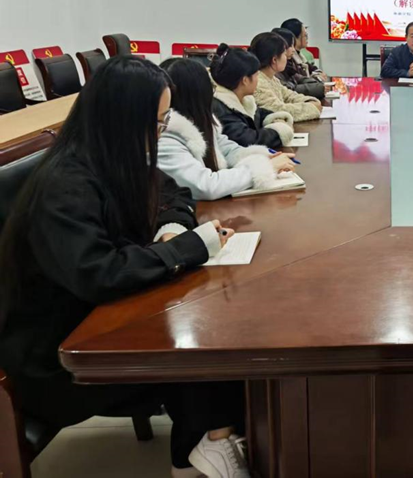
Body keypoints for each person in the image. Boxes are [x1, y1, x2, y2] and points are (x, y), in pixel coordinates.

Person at [0, 56, 251, 478]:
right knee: (205, 352)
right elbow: (101, 274)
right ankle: (203, 450)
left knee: (216, 331)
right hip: (56, 358)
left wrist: (172, 228)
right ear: (122, 118)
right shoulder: (65, 185)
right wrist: (188, 247)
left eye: (165, 119)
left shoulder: (116, 155)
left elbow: (174, 194)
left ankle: (209, 443)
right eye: (157, 122)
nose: (162, 131)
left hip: (99, 319)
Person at [158, 58, 294, 200]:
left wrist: (263, 156)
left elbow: (227, 149)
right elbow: (205, 186)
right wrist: (265, 168)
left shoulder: (200, 120)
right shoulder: (164, 136)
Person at [210, 44, 295, 148]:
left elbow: (260, 114)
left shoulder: (244, 99)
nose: (258, 80)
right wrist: (281, 131)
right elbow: (250, 140)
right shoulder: (220, 109)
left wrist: (277, 119)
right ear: (245, 80)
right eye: (256, 75)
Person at [249, 32, 322, 122]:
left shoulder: (271, 78)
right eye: (284, 53)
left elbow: (288, 96)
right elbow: (277, 110)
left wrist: (310, 101)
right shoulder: (257, 82)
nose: (286, 57)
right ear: (274, 60)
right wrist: (311, 108)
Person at [273, 27, 325, 99]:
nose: (293, 50)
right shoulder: (274, 76)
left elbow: (299, 79)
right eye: (305, 36)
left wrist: (318, 84)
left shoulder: (291, 62)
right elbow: (290, 92)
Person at [280, 18, 328, 82]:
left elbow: (315, 70)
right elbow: (298, 81)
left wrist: (318, 77)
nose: (307, 38)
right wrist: (317, 79)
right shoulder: (288, 60)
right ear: (294, 38)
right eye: (305, 35)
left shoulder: (300, 56)